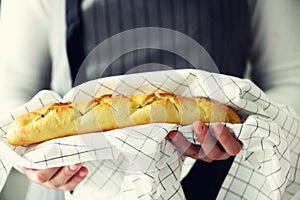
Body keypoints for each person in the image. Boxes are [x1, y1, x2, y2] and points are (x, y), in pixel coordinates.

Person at [0, 0, 299, 199]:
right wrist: (28, 159)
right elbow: (13, 87)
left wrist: (249, 134)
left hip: (222, 178)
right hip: (71, 182)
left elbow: (289, 79)